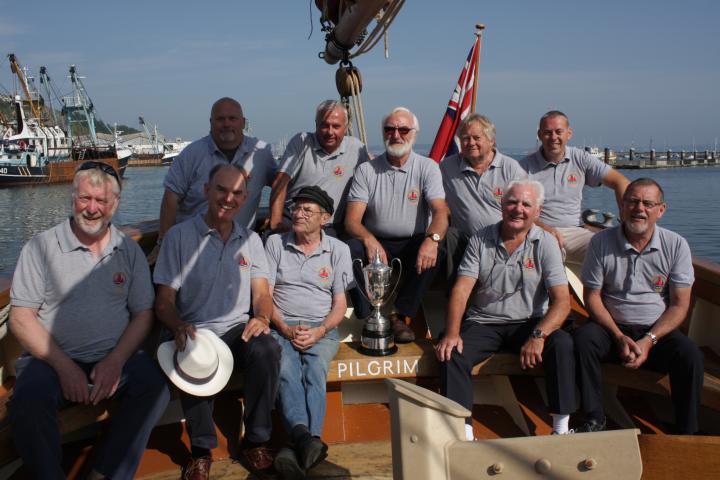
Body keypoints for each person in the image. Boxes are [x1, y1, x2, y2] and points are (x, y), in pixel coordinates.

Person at [8, 161, 170, 479]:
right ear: (73, 198)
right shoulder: (41, 247)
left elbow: (142, 315)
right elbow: (21, 318)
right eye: (85, 199)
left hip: (113, 357)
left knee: (154, 387)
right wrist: (64, 367)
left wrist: (116, 360)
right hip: (50, 360)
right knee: (28, 402)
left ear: (115, 204)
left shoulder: (128, 251)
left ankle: (106, 473)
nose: (92, 208)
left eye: (101, 201)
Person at [154, 164, 281, 479]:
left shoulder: (251, 240)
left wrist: (263, 317)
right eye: (222, 190)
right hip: (195, 328)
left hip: (237, 330)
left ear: (245, 197)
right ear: (206, 191)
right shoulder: (179, 238)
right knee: (190, 351)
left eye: (237, 193)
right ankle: (200, 451)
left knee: (268, 349)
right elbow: (163, 302)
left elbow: (262, 294)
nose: (229, 198)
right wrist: (178, 325)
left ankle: (255, 441)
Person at [436, 179, 575, 439]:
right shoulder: (481, 238)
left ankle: (561, 429)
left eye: (526, 204)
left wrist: (538, 335)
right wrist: (452, 333)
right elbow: (462, 289)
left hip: (529, 323)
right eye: (512, 202)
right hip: (484, 321)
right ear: (502, 205)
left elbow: (562, 301)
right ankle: (463, 435)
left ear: (537, 212)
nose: (517, 209)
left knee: (563, 344)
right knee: (452, 352)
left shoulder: (545, 243)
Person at [573, 178, 703, 434]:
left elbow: (679, 305)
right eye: (632, 202)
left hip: (656, 333)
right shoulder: (601, 243)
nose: (639, 209)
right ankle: (594, 419)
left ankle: (687, 431)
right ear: (622, 206)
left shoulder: (676, 245)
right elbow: (592, 297)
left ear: (661, 210)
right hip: (612, 329)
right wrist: (618, 336)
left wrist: (648, 340)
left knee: (690, 355)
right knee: (582, 340)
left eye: (647, 203)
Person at [265, 186, 354, 478]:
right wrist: (285, 328)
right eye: (296, 208)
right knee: (286, 369)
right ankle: (309, 443)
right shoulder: (275, 243)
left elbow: (340, 304)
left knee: (314, 368)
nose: (298, 214)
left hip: (322, 327)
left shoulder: (338, 250)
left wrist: (320, 331)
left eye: (307, 210)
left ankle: (296, 445)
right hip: (281, 323)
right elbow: (265, 296)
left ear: (325, 218)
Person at [345, 107, 450, 343]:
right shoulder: (366, 170)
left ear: (414, 133)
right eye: (390, 129)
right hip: (377, 241)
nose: (396, 134)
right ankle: (370, 314)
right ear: (383, 132)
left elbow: (441, 211)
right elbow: (352, 221)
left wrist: (432, 240)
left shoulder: (427, 167)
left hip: (414, 241)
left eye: (403, 129)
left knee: (439, 251)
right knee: (349, 250)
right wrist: (369, 239)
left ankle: (400, 314)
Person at [155, 97, 276, 254]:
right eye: (221, 119)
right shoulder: (191, 154)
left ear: (243, 123)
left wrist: (279, 218)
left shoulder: (261, 153)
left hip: (239, 248)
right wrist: (163, 243)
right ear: (211, 122)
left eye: (232, 118)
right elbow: (171, 198)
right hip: (193, 246)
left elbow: (281, 184)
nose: (227, 124)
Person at [520, 111, 629, 267]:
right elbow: (515, 210)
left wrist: (626, 220)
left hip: (575, 232)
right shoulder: (524, 167)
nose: (553, 137)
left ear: (569, 134)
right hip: (538, 231)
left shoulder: (580, 158)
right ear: (540, 135)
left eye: (559, 132)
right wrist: (546, 229)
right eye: (547, 132)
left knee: (616, 250)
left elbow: (621, 182)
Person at [440, 113, 525, 285]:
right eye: (465, 138)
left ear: (491, 140)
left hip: (502, 240)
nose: (470, 143)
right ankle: (455, 301)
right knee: (449, 235)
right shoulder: (447, 168)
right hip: (465, 242)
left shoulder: (510, 168)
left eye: (476, 137)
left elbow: (525, 209)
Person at [269, 100, 370, 237]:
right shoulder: (301, 142)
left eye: (336, 126)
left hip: (332, 226)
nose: (330, 132)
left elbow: (371, 176)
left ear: (345, 128)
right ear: (316, 125)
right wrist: (276, 224)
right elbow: (280, 181)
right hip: (297, 221)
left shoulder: (357, 148)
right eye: (324, 125)